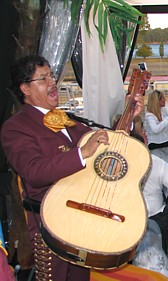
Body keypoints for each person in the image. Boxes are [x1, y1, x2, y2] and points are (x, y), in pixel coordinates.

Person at [0, 55, 143, 281]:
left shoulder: (67, 120)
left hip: (82, 216)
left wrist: (128, 119)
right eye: (43, 78)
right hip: (51, 223)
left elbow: (105, 145)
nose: (52, 82)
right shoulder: (16, 127)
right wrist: (81, 153)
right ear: (25, 88)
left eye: (52, 76)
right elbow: (33, 172)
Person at [145, 90, 168, 161]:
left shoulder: (163, 110)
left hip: (165, 140)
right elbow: (155, 130)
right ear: (157, 101)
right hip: (155, 143)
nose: (165, 100)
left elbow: (167, 124)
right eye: (163, 98)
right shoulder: (150, 116)